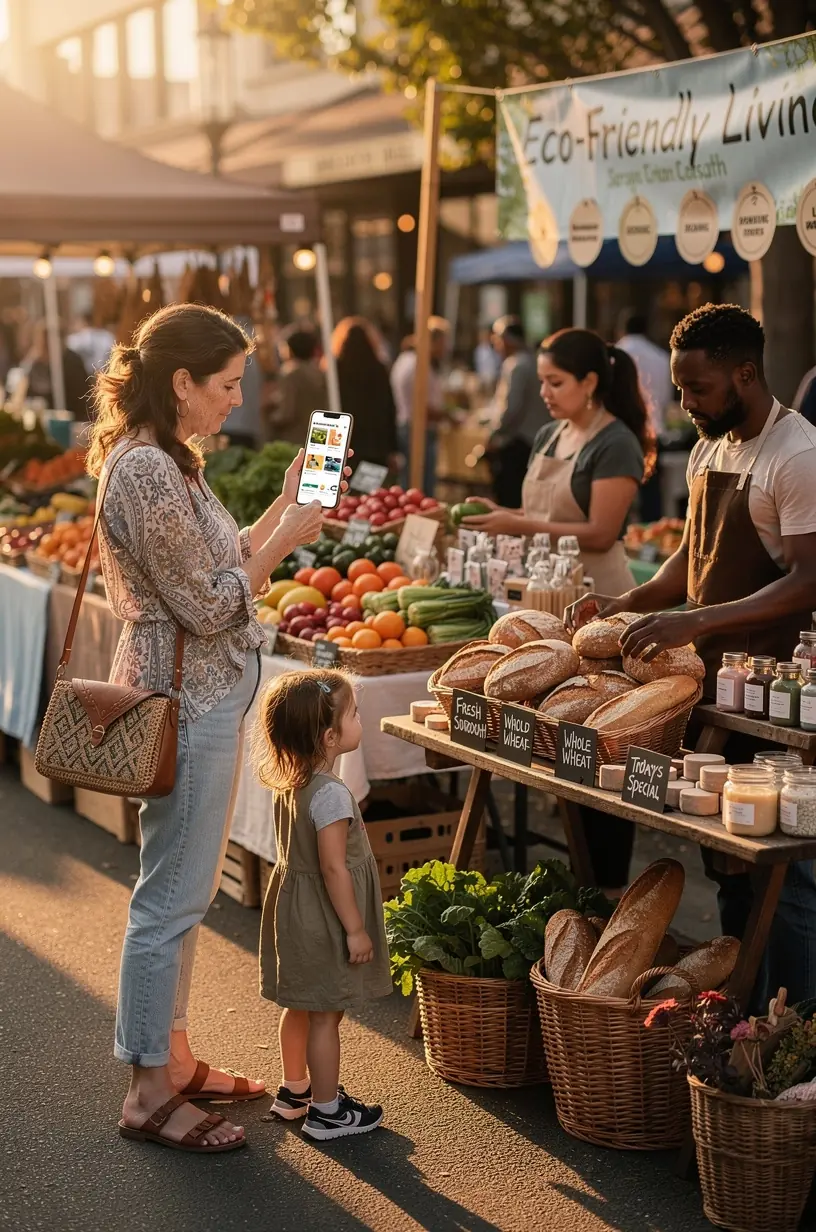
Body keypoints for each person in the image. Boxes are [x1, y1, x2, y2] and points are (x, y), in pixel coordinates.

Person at [87, 303, 338, 1154]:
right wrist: (289, 539)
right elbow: (210, 602)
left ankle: (175, 1056)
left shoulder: (171, 463)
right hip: (185, 698)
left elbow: (221, 566)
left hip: (205, 693)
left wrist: (278, 509)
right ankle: (147, 1090)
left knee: (184, 889)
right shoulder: (148, 472)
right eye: (226, 385)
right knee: (171, 895)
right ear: (180, 381)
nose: (237, 400)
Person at [568, 303, 816, 1009]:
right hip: (707, 686)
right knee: (731, 865)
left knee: (784, 875)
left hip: (774, 692)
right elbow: (692, 557)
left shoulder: (796, 455)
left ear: (745, 373)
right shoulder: (712, 444)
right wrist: (629, 603)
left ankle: (795, 1026)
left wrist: (696, 619)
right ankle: (745, 1009)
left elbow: (809, 579)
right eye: (679, 389)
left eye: (697, 389)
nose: (684, 403)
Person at [465, 327, 654, 893]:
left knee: (599, 743)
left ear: (591, 382)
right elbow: (536, 511)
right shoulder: (549, 434)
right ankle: (572, 880)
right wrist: (500, 513)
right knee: (555, 744)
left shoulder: (614, 442)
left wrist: (516, 522)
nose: (543, 392)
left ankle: (608, 883)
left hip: (600, 600)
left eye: (556, 382)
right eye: (542, 381)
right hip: (547, 600)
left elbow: (598, 531)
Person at [252, 668, 391, 1141]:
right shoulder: (331, 795)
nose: (360, 719)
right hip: (324, 919)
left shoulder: (293, 782)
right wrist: (355, 928)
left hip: (293, 911)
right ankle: (327, 1112)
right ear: (331, 736)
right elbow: (334, 869)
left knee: (300, 1004)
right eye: (354, 713)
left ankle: (296, 1091)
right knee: (326, 1014)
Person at [487, 316, 550, 507]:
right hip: (535, 440)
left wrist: (494, 434)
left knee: (510, 498)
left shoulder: (516, 365)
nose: (496, 346)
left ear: (506, 340)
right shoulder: (533, 360)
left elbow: (511, 408)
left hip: (518, 441)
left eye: (497, 340)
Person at [616, 311, 672, 521]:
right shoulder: (661, 356)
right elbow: (665, 398)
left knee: (619, 491)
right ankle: (649, 537)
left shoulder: (616, 354)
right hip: (653, 429)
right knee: (651, 493)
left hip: (621, 430)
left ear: (622, 329)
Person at [332, 316, 399, 472]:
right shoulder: (379, 369)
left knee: (344, 492)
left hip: (344, 442)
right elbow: (389, 409)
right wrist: (392, 448)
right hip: (375, 446)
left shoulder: (335, 371)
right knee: (370, 493)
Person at [390, 317, 450, 490]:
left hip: (410, 426)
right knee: (420, 484)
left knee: (412, 480)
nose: (445, 348)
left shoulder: (406, 360)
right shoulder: (417, 364)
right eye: (443, 343)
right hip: (417, 429)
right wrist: (447, 416)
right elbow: (421, 406)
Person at [270, 326, 327, 445]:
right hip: (320, 434)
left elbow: (286, 413)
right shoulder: (321, 373)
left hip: (296, 438)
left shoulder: (290, 374)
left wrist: (268, 415)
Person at [23, 320, 90, 419]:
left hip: (72, 420)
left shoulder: (72, 362)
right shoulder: (35, 363)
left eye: (43, 342)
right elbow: (24, 391)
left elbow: (81, 398)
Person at [474, 326, 502, 390]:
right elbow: (478, 365)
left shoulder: (496, 349)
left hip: (495, 378)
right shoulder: (479, 350)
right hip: (483, 378)